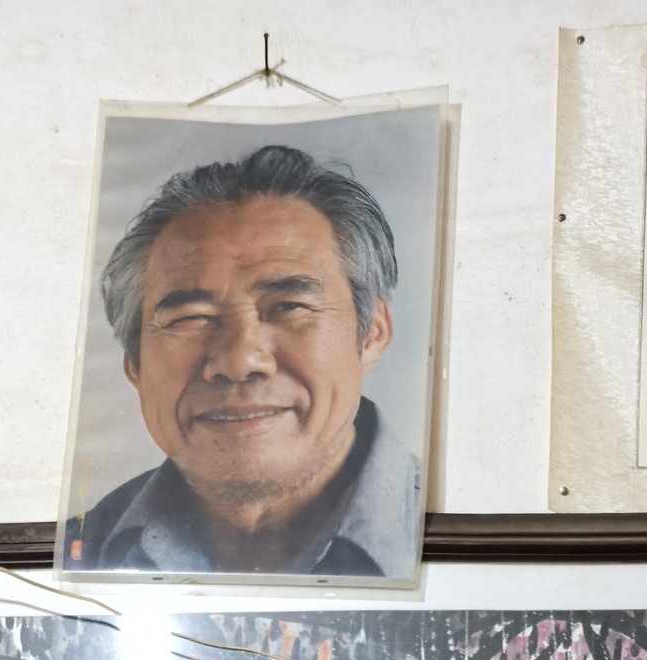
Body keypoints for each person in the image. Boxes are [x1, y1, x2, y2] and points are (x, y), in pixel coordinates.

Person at [63, 143, 423, 580]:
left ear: (373, 334)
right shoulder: (74, 554)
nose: (239, 362)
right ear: (134, 365)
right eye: (190, 318)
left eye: (289, 306)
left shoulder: (452, 532)